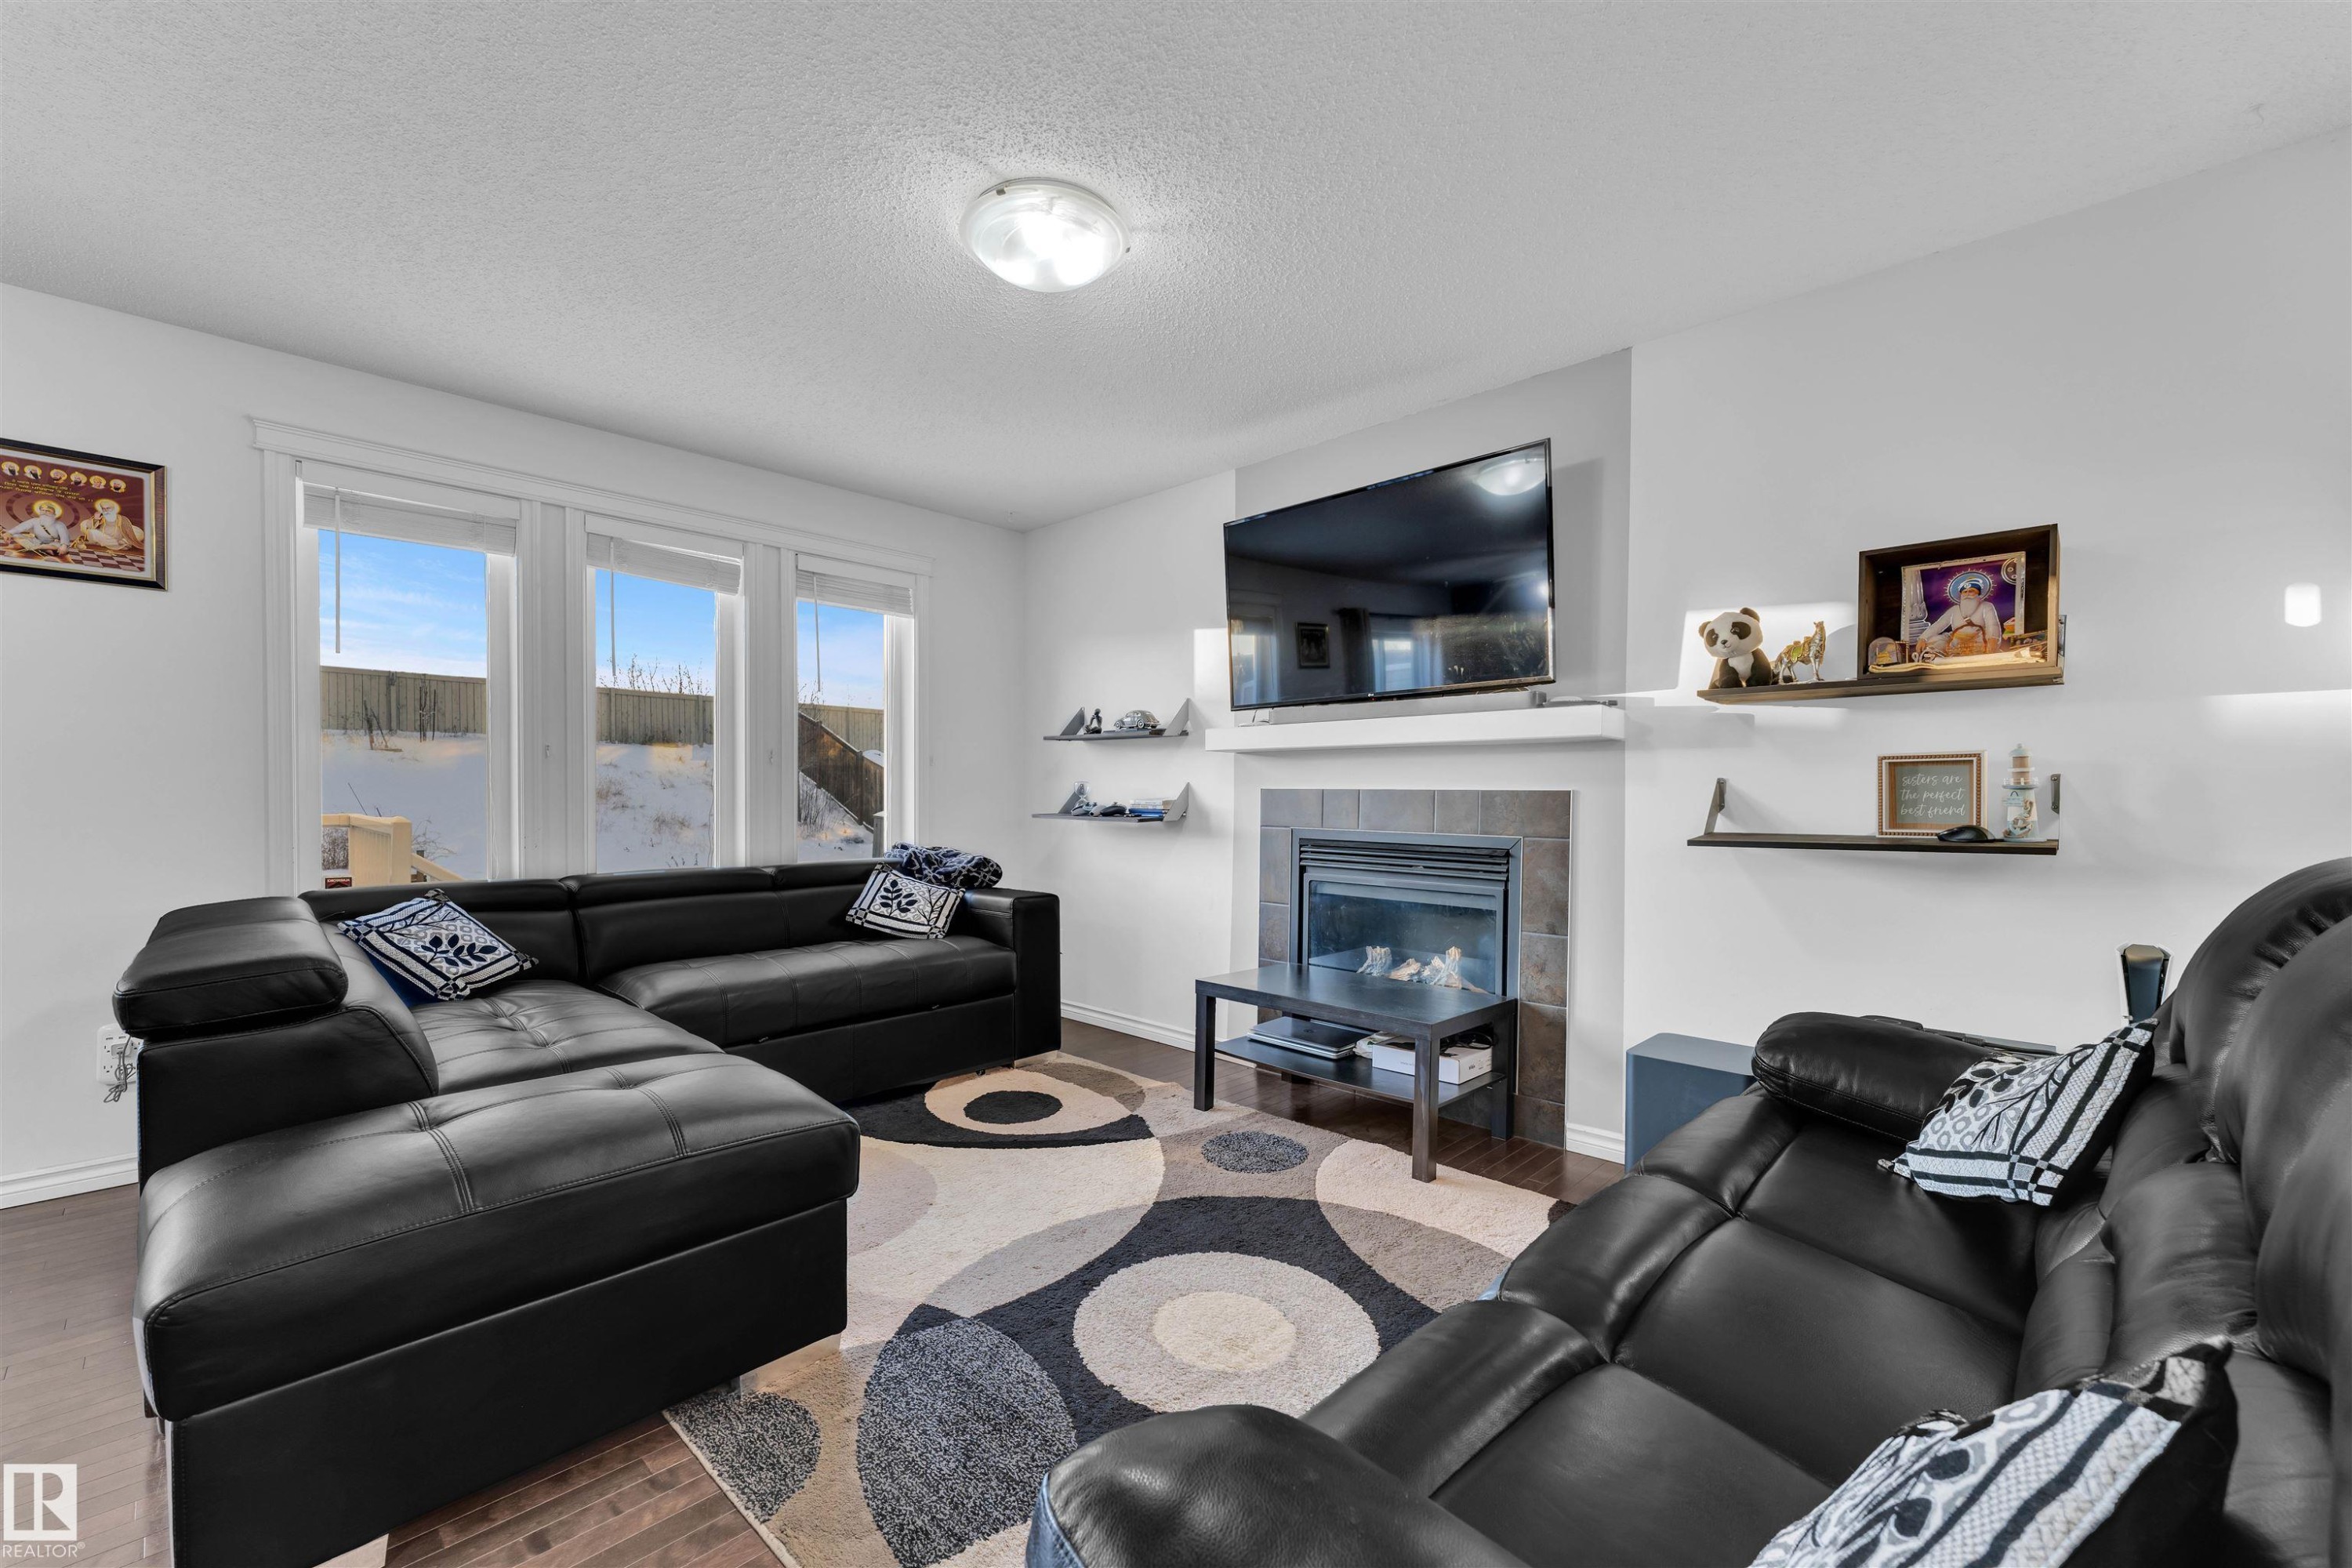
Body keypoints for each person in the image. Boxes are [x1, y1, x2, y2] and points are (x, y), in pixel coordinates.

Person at [1917, 571, 2005, 660]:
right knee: (1934, 640)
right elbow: (1939, 624)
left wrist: (1993, 639)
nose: (1967, 594)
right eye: (1965, 592)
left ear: (1978, 594)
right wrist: (1923, 638)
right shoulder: (1954, 610)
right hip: (1957, 643)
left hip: (1979, 641)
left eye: (1971, 591)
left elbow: (1992, 624)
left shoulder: (1986, 606)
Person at [5, 498, 75, 553]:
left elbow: (64, 537)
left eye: (48, 511)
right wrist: (9, 533)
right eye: (43, 510)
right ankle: (41, 549)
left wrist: (64, 546)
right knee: (16, 535)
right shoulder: (35, 521)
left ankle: (43, 548)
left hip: (52, 543)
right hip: (36, 541)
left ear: (54, 514)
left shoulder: (60, 525)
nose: (44, 512)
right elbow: (22, 526)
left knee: (60, 546)